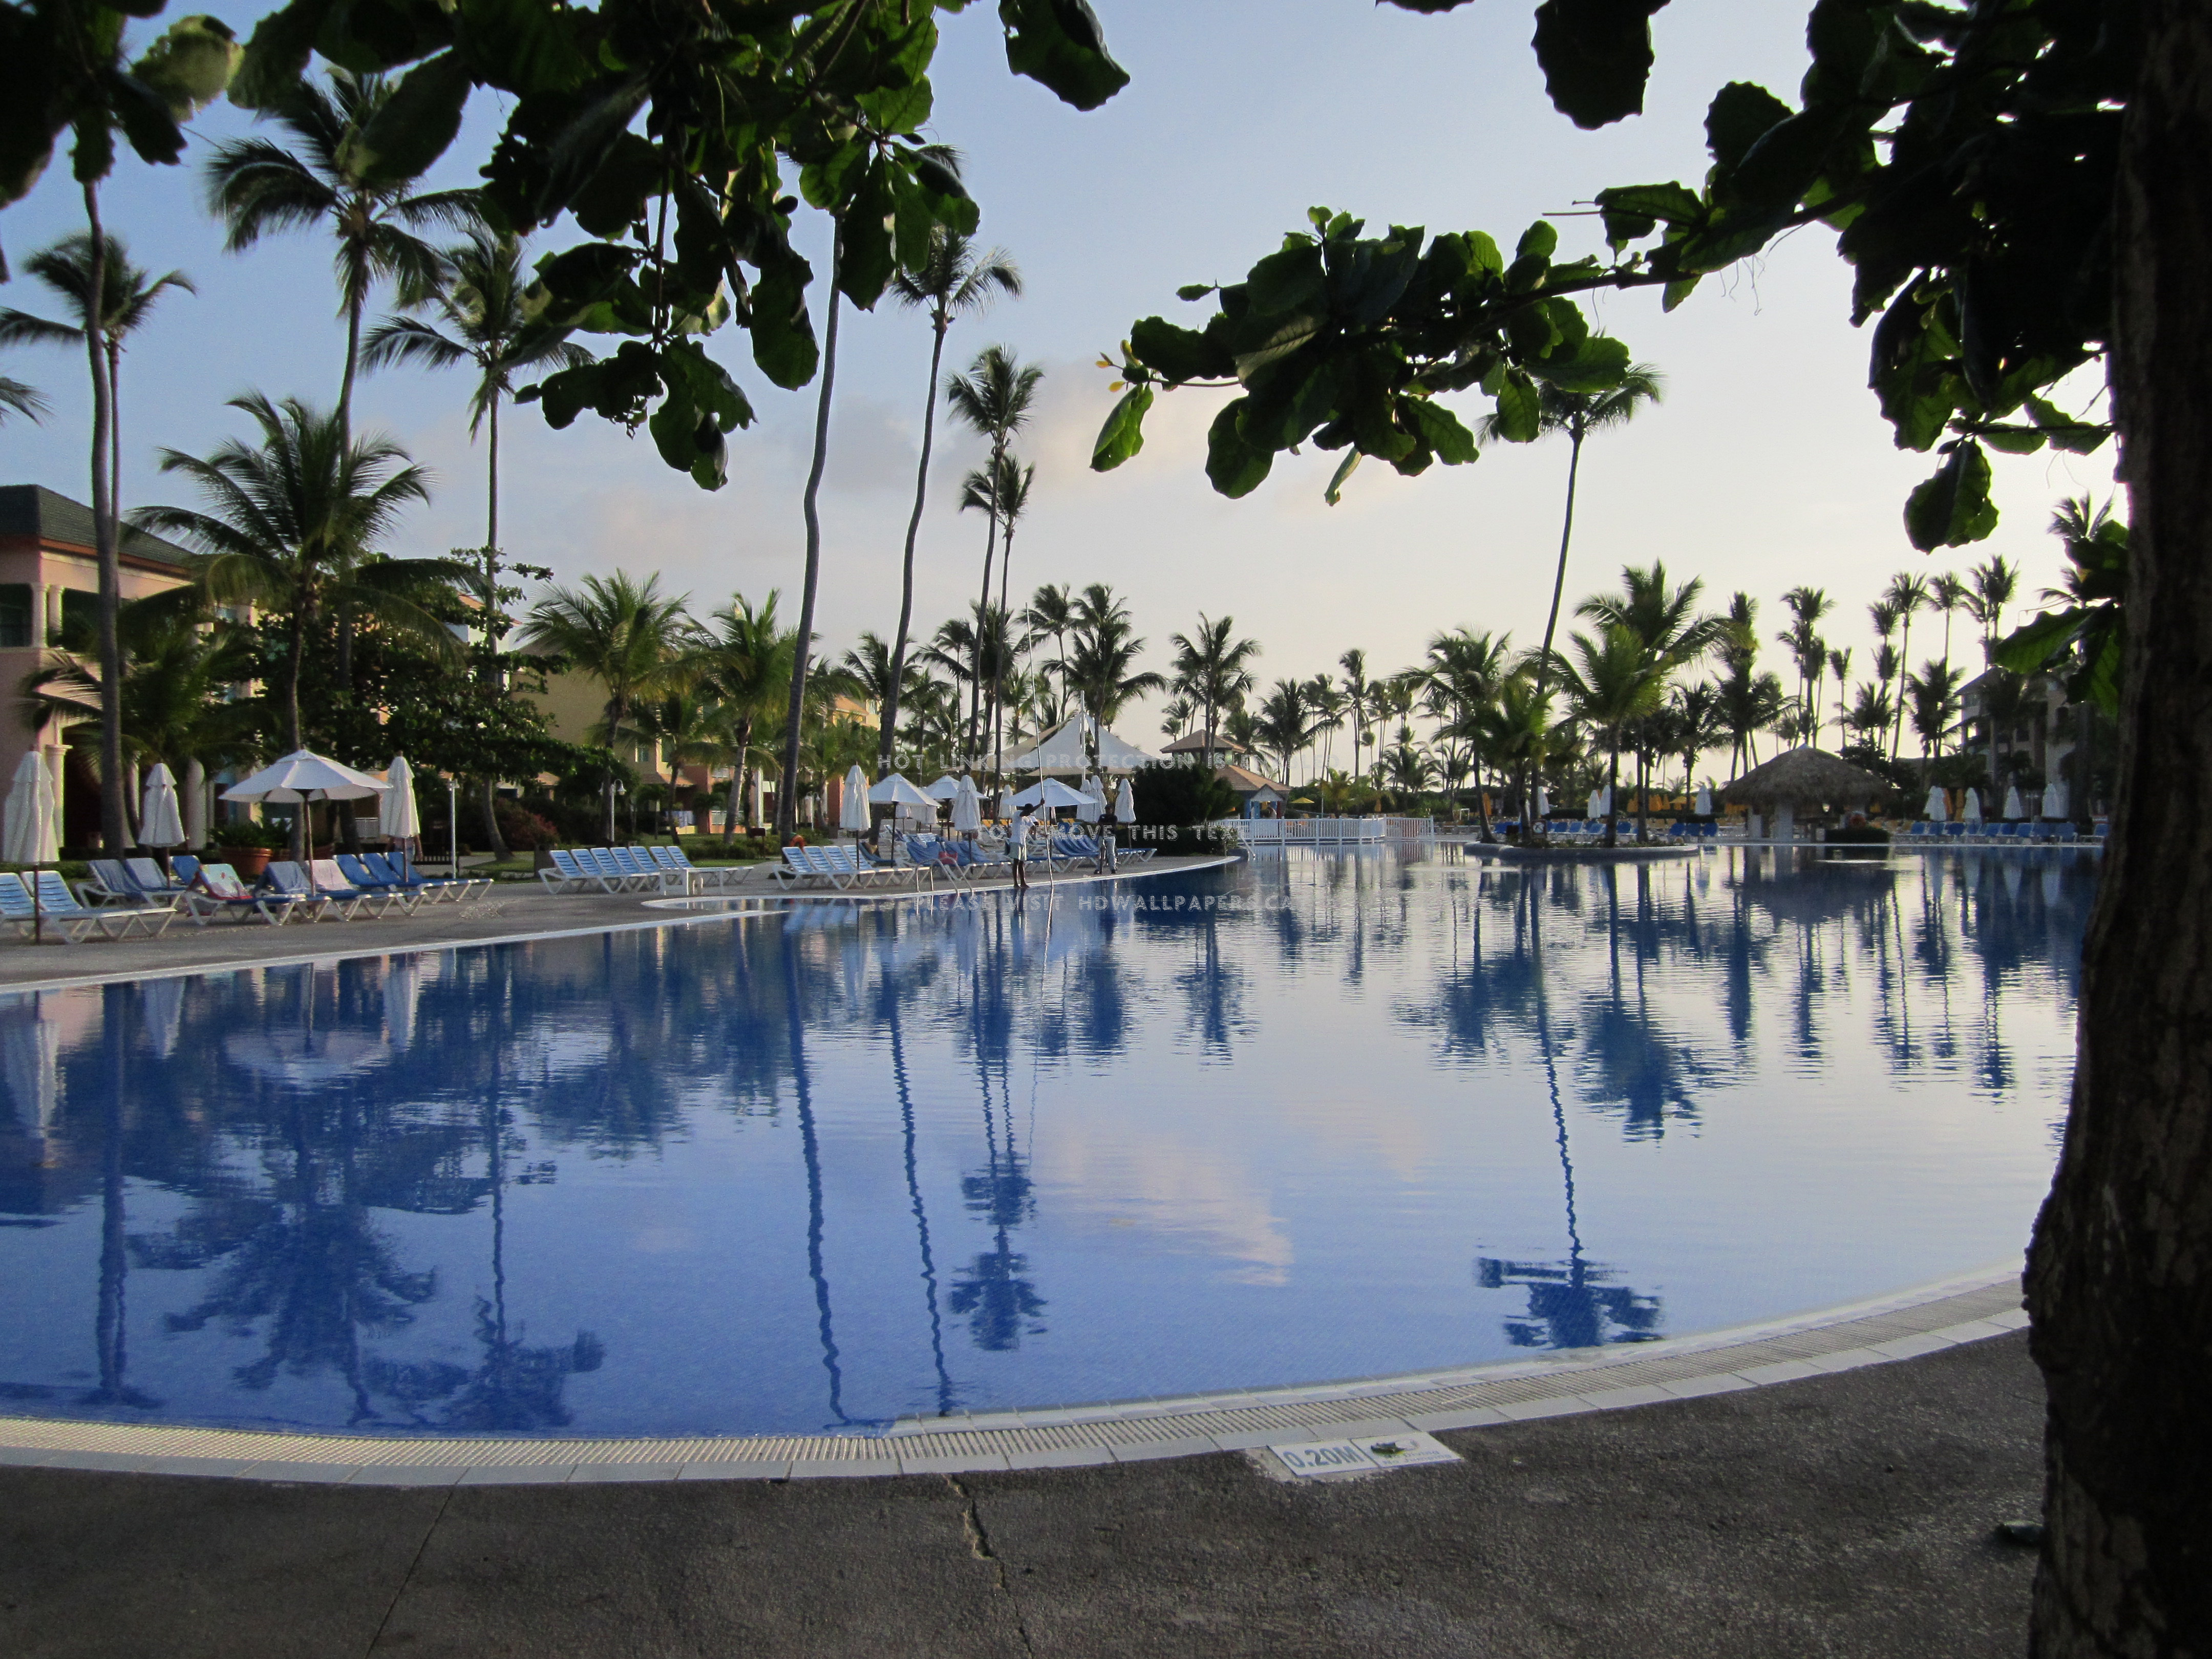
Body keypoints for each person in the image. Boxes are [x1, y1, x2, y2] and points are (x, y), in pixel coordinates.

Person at [1009, 807, 1031, 891]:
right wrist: (1040, 805)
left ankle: (1023, 882)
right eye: (1028, 811)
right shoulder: (1017, 814)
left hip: (1023, 842)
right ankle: (1015, 883)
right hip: (1015, 841)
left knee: (1022, 863)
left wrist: (1043, 834)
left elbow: (1034, 826)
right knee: (1016, 862)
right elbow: (1024, 813)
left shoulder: (1027, 819)